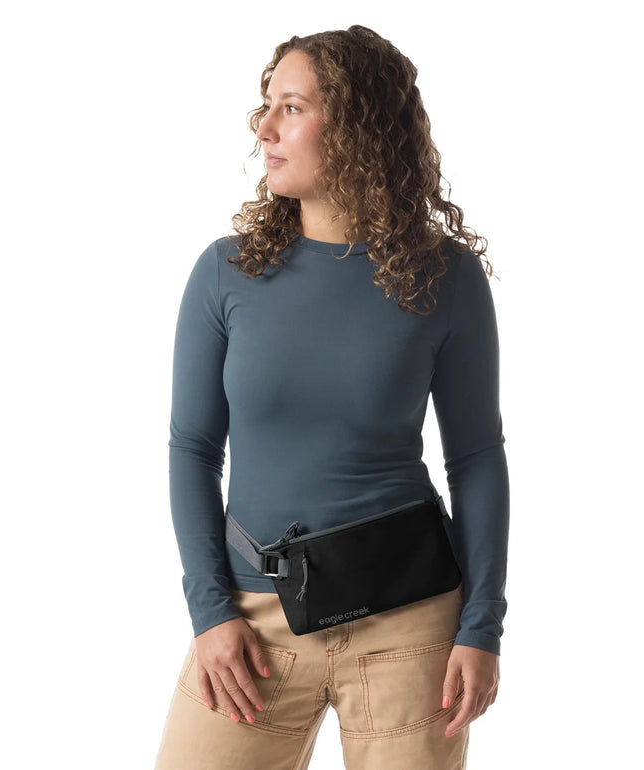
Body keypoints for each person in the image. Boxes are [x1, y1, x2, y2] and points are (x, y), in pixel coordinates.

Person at [154, 25, 510, 770]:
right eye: (267, 106)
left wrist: (482, 626)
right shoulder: (225, 273)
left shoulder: (445, 277)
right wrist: (210, 612)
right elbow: (192, 449)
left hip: (409, 622)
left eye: (291, 108)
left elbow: (476, 456)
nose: (264, 128)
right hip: (252, 625)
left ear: (356, 126)